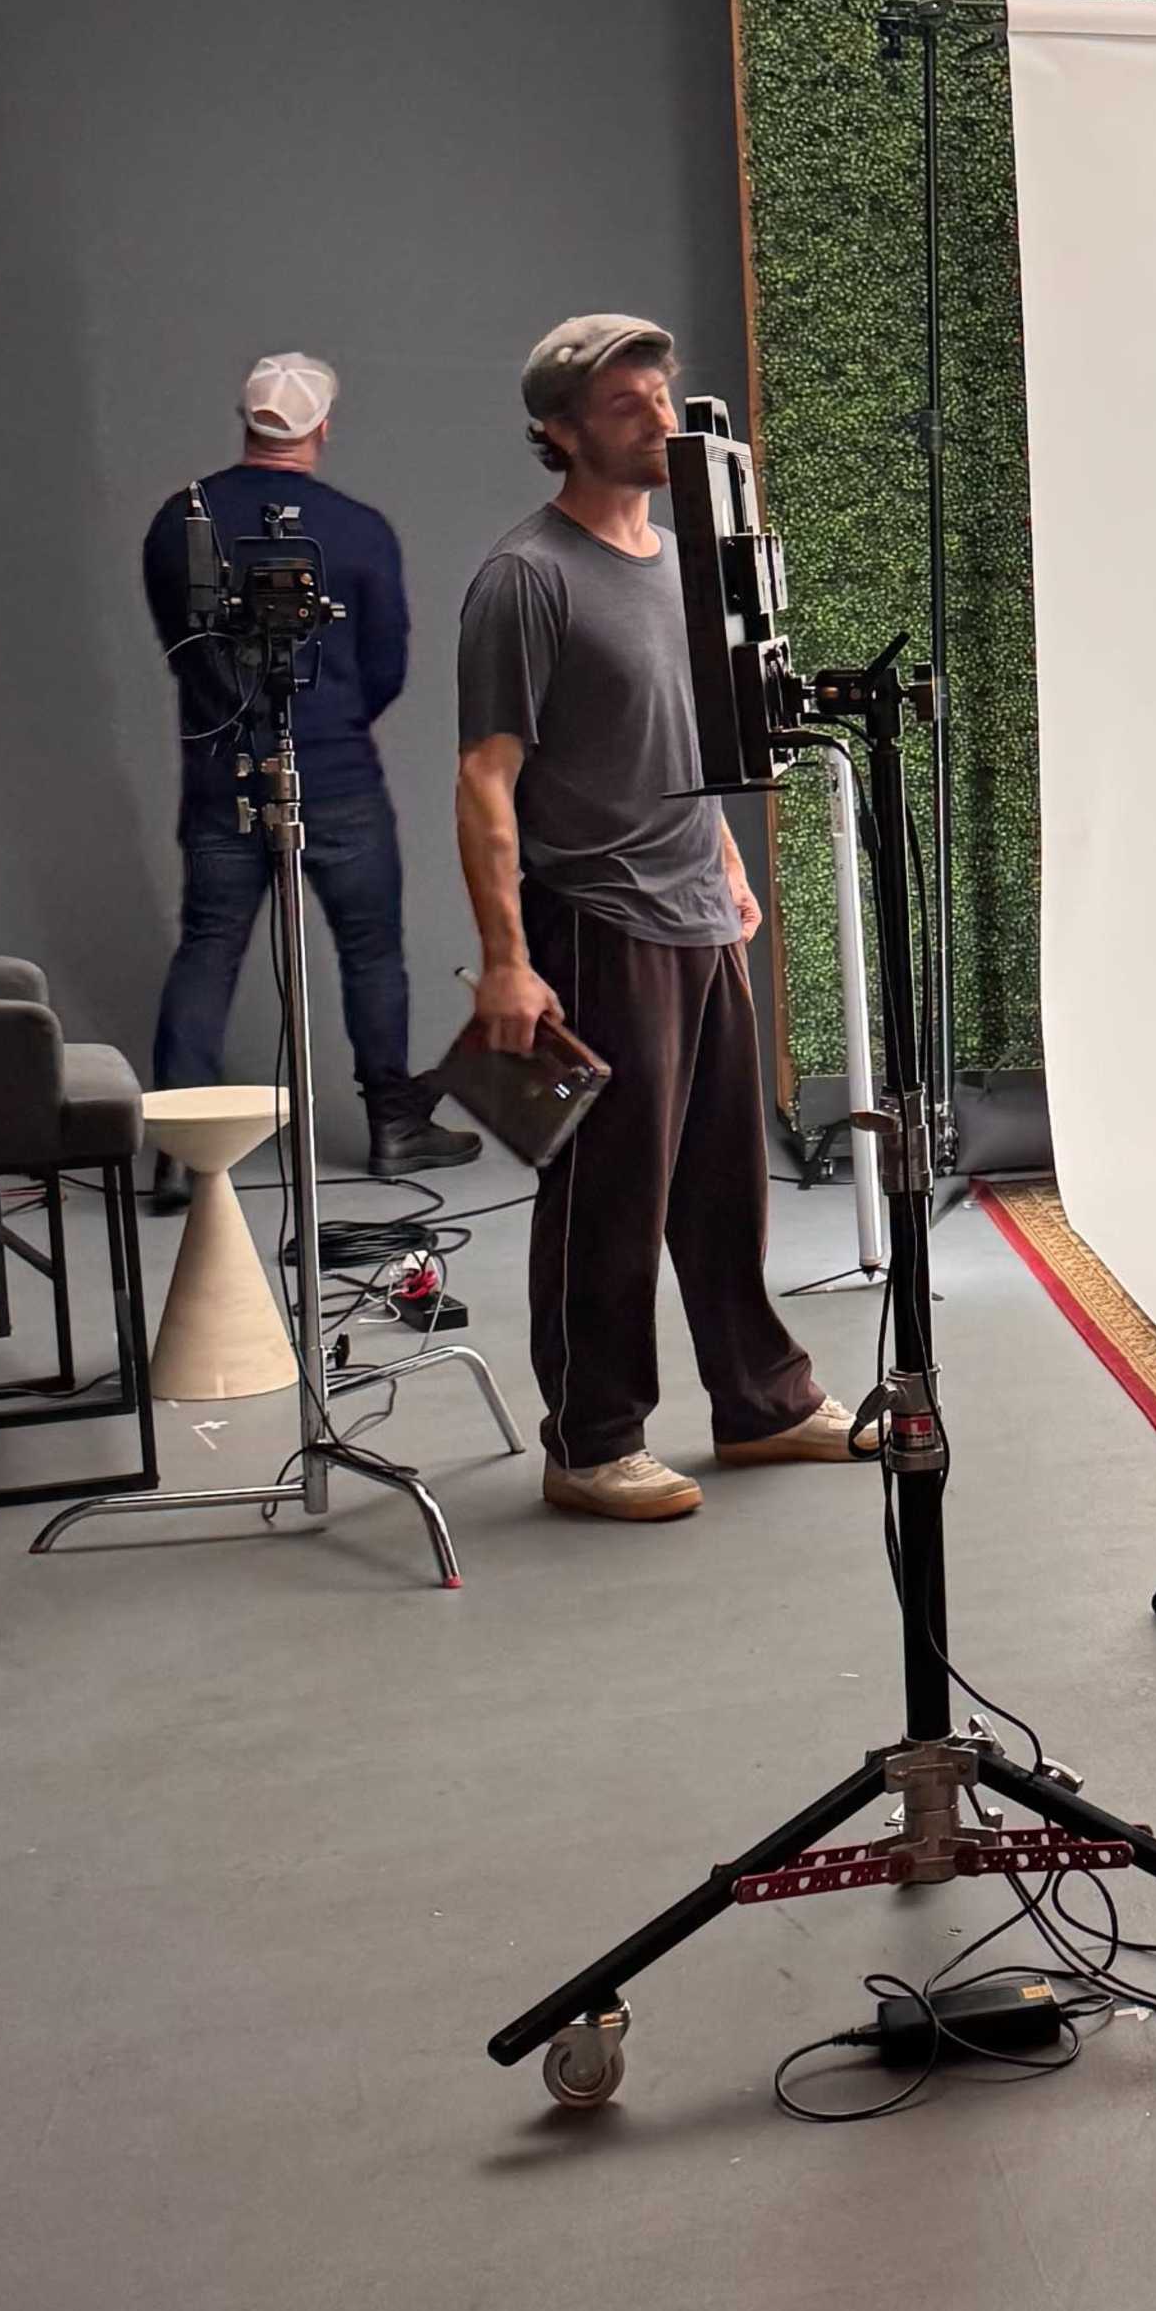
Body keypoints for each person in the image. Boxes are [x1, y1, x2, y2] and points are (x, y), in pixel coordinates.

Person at [456, 312, 856, 1521]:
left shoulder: (685, 558)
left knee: (729, 1184)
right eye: (630, 407)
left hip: (695, 909)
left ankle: (765, 1405)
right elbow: (485, 776)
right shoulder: (524, 578)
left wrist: (723, 856)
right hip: (593, 922)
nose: (662, 420)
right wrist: (507, 964)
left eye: (663, 396)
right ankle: (591, 1441)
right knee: (607, 1199)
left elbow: (670, 737)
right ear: (560, 431)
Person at [144, 350, 475, 1185]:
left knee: (210, 944)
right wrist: (331, 723)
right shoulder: (361, 530)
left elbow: (183, 649)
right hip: (339, 779)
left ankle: (183, 1154)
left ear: (247, 420)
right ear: (322, 427)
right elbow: (387, 665)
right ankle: (395, 1128)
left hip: (223, 776)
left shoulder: (179, 520)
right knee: (371, 950)